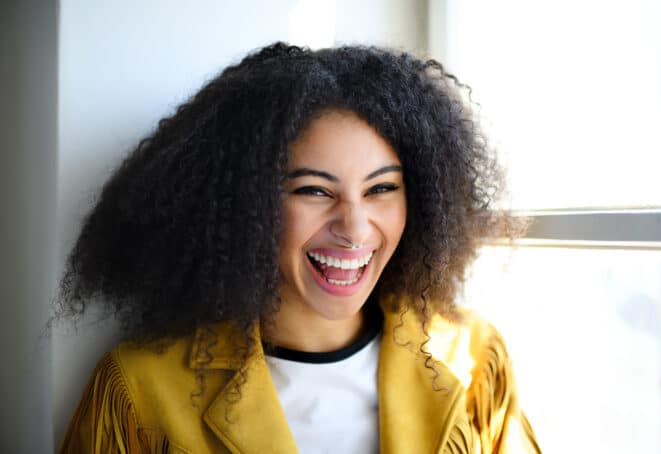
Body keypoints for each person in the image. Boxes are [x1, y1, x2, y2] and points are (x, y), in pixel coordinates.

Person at [57, 42, 541, 453]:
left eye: (381, 189)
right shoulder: (141, 390)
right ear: (242, 205)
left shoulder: (474, 358)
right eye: (313, 190)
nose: (354, 228)